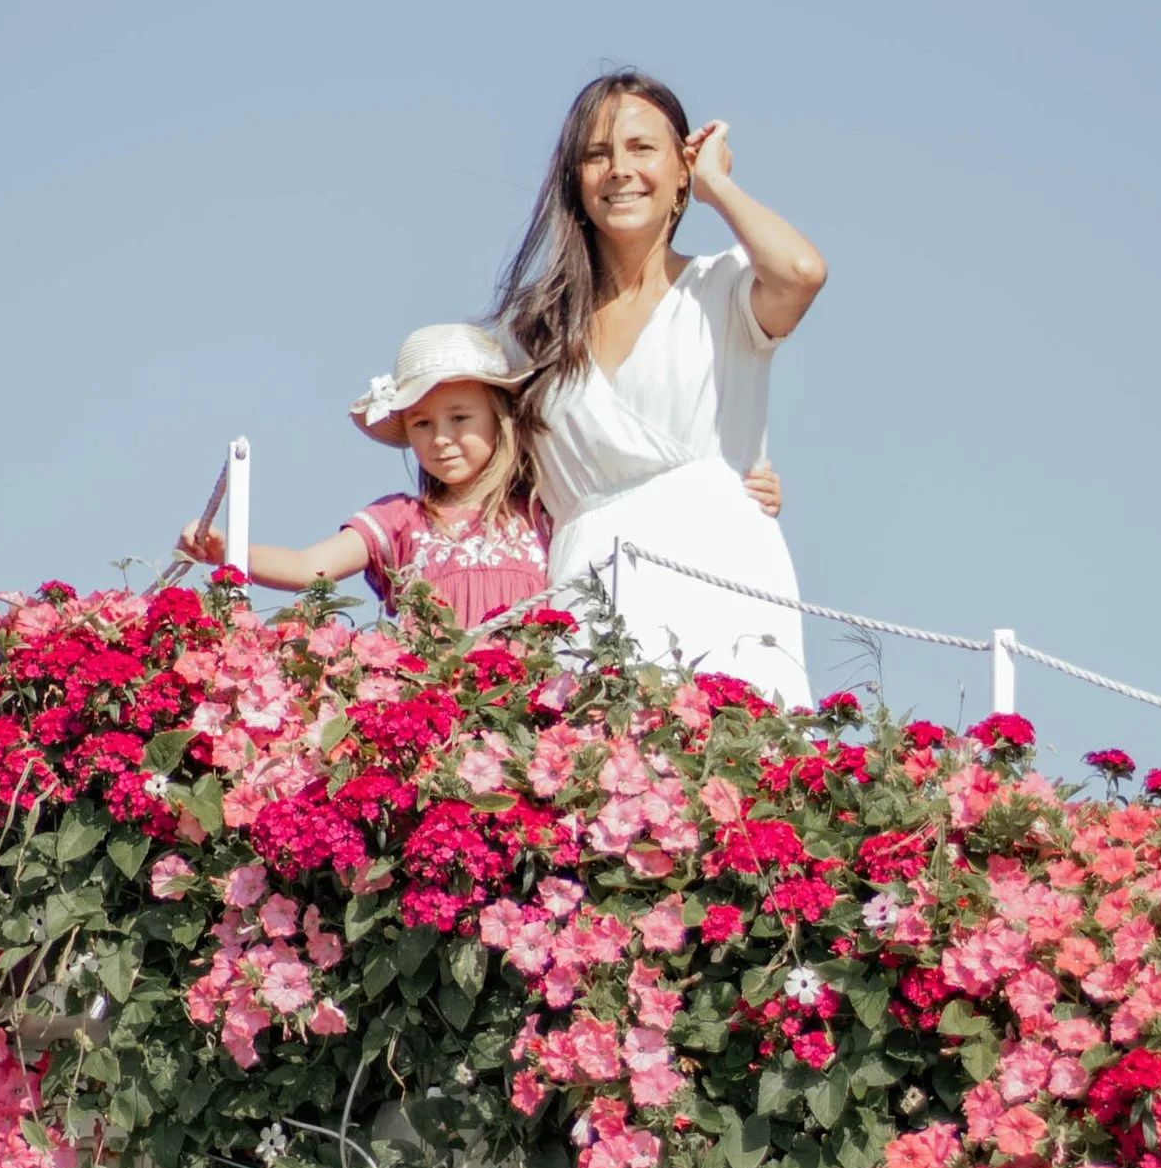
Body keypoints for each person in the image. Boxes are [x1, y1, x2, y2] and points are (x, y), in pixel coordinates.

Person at [490, 72, 825, 706]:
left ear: (682, 171)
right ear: (575, 180)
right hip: (586, 581)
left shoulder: (724, 288)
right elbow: (467, 453)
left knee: (731, 774)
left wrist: (719, 186)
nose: (619, 168)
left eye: (643, 148)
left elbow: (803, 273)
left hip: (720, 568)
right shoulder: (531, 332)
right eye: (596, 154)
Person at [176, 318, 784, 632]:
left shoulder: (548, 504)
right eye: (421, 424)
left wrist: (731, 497)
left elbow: (639, 511)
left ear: (499, 419)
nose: (441, 439)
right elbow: (311, 566)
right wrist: (229, 550)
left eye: (460, 417)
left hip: (533, 714)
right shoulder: (400, 519)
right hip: (435, 709)